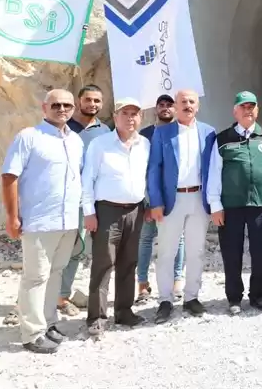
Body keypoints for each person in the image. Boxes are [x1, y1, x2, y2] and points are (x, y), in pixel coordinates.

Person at [1, 89, 84, 353]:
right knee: (35, 278)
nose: (62, 109)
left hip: (68, 221)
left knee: (55, 274)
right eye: (56, 104)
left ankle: (48, 323)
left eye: (67, 105)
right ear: (44, 107)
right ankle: (31, 333)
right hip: (39, 221)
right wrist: (13, 216)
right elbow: (9, 177)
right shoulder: (29, 137)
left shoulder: (75, 141)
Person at [207, 91, 262, 315]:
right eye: (243, 107)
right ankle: (234, 297)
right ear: (235, 111)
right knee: (232, 252)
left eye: (252, 106)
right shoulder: (223, 139)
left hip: (260, 205)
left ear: (257, 110)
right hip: (230, 206)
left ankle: (257, 295)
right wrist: (215, 205)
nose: (248, 110)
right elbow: (214, 172)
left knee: (260, 251)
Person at [147, 89, 217, 324]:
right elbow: (154, 169)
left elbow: (214, 170)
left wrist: (215, 202)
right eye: (183, 102)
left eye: (191, 102)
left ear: (197, 106)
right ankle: (165, 300)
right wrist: (155, 202)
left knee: (196, 251)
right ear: (175, 106)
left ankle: (191, 297)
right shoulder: (162, 133)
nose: (187, 105)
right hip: (171, 200)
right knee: (166, 252)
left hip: (199, 198)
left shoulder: (209, 133)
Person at [81, 98, 149, 335]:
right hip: (107, 211)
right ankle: (96, 317)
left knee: (129, 262)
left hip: (135, 210)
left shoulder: (145, 144)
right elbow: (87, 180)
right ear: (115, 115)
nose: (130, 118)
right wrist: (89, 212)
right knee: (103, 263)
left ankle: (124, 311)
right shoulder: (100, 144)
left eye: (135, 113)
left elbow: (146, 178)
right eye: (125, 113)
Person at [60, 84, 111, 315]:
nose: (93, 104)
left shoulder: (106, 131)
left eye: (97, 101)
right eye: (88, 99)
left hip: (98, 198)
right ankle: (59, 296)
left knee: (94, 249)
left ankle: (93, 298)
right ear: (79, 101)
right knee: (69, 246)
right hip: (70, 198)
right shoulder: (64, 127)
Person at [136, 94, 184, 303]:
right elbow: (143, 169)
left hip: (175, 197)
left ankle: (177, 282)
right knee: (146, 239)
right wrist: (149, 200)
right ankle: (143, 284)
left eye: (169, 105)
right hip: (150, 197)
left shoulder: (182, 133)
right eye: (161, 105)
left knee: (178, 240)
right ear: (155, 109)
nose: (165, 108)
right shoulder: (145, 134)